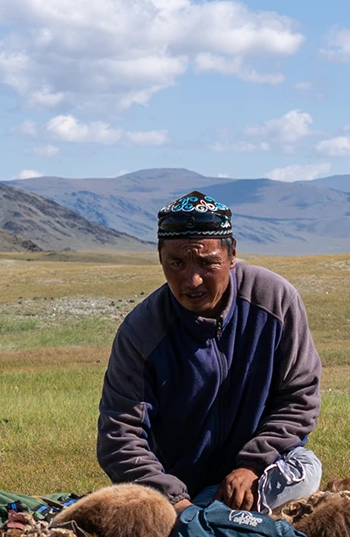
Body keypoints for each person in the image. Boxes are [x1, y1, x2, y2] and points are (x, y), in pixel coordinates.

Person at [97, 190, 323, 511]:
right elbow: (119, 437)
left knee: (305, 470)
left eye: (208, 263)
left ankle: (209, 525)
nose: (192, 280)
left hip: (260, 471)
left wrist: (251, 465)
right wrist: (173, 500)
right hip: (180, 486)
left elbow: (300, 396)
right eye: (176, 263)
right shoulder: (141, 331)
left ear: (232, 257)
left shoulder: (274, 300)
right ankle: (209, 520)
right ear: (160, 259)